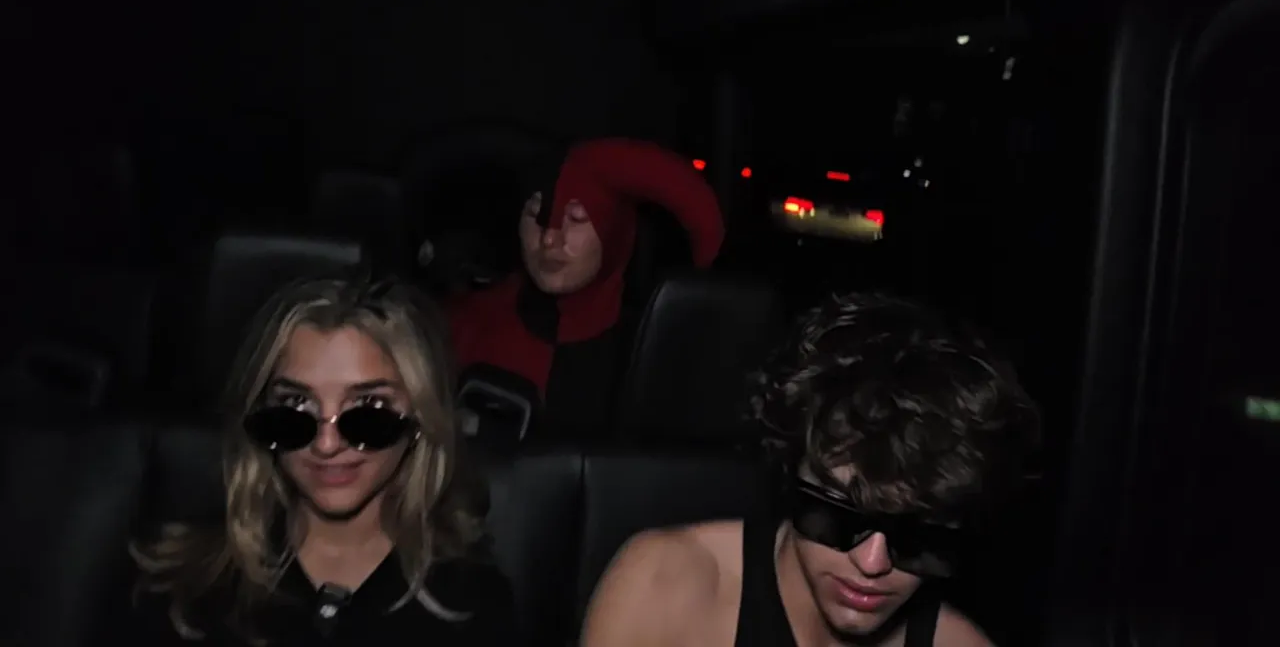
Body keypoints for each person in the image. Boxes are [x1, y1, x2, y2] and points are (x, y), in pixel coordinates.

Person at [581, 293, 1040, 647]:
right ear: (792, 473)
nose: (872, 564)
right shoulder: (665, 586)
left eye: (918, 537)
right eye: (839, 514)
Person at [129, 277, 516, 645]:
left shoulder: (475, 606)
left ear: (421, 417)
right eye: (296, 404)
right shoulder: (184, 589)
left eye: (369, 406)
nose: (326, 444)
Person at [449, 137, 724, 441]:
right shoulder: (461, 326)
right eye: (536, 214)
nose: (549, 238)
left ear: (614, 234)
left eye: (577, 218)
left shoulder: (658, 356)